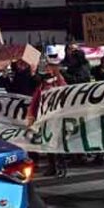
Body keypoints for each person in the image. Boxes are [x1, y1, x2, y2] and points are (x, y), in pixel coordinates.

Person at [28, 47, 68, 177]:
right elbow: (36, 98)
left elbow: (66, 92)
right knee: (48, 142)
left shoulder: (60, 80)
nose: (50, 68)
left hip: (57, 116)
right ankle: (52, 166)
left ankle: (61, 166)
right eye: (49, 66)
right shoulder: (43, 83)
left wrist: (58, 77)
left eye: (53, 66)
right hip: (45, 117)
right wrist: (32, 114)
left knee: (58, 142)